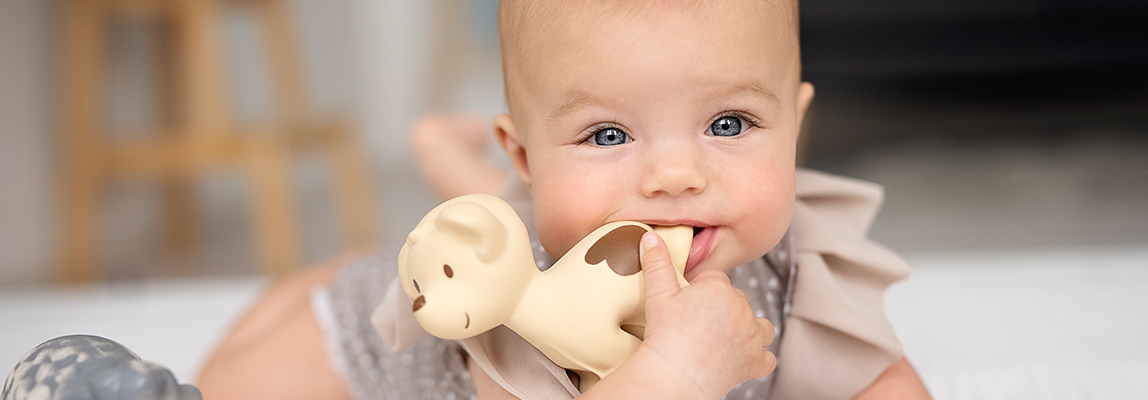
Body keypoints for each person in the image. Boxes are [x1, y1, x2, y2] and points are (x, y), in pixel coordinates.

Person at [197, 0, 932, 398]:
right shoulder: (516, 326)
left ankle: (448, 164)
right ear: (526, 155)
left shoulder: (803, 263)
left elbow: (878, 378)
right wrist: (677, 373)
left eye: (729, 124)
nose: (675, 176)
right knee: (221, 383)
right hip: (356, 345)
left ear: (795, 129)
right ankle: (364, 258)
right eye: (609, 134)